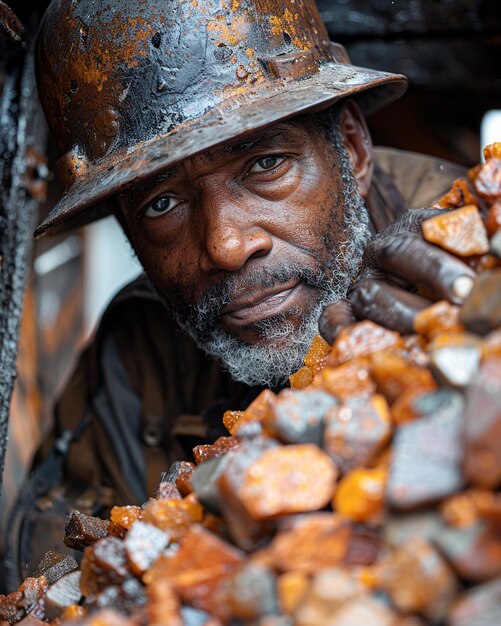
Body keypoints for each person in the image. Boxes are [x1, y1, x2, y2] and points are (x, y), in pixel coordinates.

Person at [4, 0, 477, 587]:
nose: (226, 245)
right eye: (162, 204)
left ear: (351, 147)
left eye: (266, 163)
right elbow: (56, 586)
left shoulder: (477, 253)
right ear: (129, 233)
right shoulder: (137, 352)